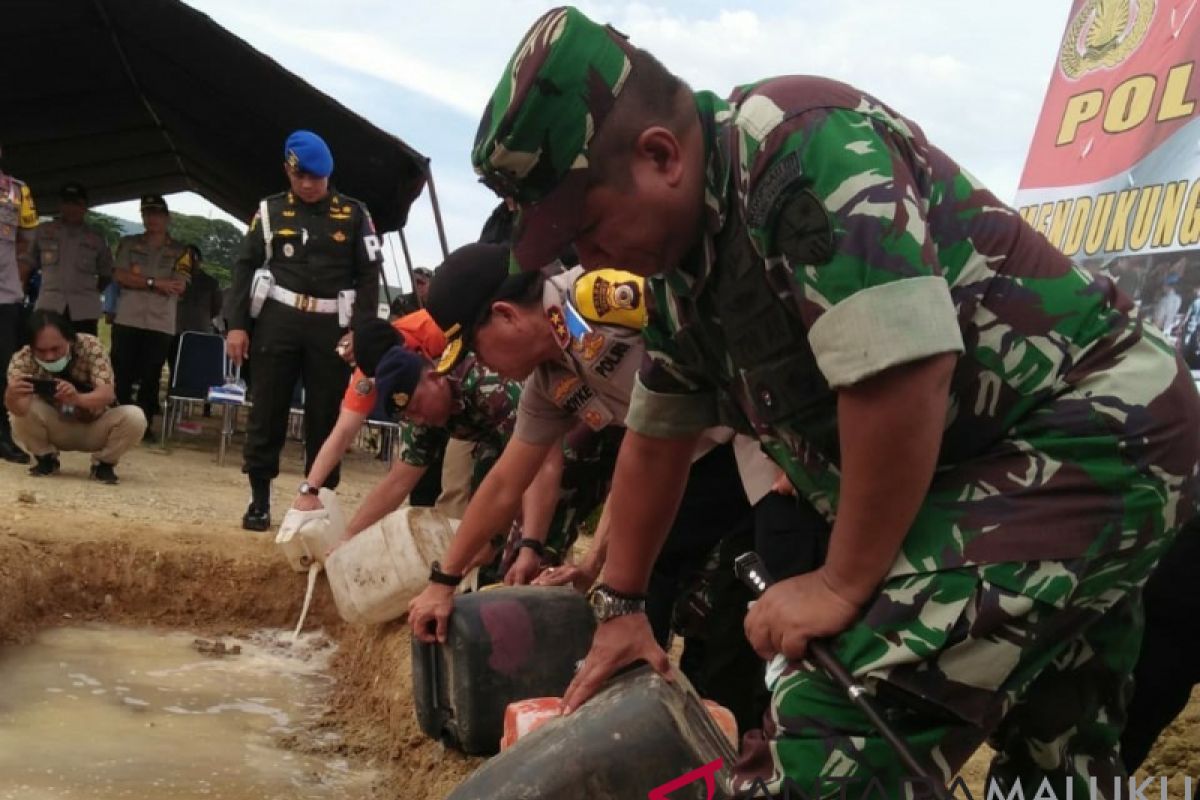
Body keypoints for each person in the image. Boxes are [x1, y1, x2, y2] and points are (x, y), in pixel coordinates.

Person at [472, 8, 1200, 797]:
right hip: (997, 467)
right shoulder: (680, 277)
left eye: (586, 226)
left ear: (660, 156)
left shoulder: (798, 149)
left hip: (1089, 436)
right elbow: (656, 436)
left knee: (834, 723)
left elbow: (903, 373)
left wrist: (843, 584)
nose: (585, 259)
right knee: (1058, 750)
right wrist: (619, 602)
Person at [223, 130, 381, 531]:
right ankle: (259, 499)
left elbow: (368, 276)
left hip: (332, 326)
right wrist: (237, 325)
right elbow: (244, 266)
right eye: (300, 177)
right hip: (279, 319)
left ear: (329, 175)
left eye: (316, 177)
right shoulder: (270, 211)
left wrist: (359, 333)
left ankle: (318, 502)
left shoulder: (356, 214)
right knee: (267, 409)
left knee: (326, 417)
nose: (308, 185)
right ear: (287, 173)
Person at [289, 312, 445, 513]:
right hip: (427, 415)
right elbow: (343, 431)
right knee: (422, 482)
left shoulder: (433, 329)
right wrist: (310, 489)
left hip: (464, 391)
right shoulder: (367, 373)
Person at [4, 310, 146, 482]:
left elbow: (107, 394)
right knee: (17, 413)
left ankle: (104, 464)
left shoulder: (90, 345)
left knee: (135, 417)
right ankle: (45, 458)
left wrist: (77, 399)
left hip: (95, 425)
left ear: (70, 339)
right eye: (41, 351)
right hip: (56, 425)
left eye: (56, 349)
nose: (49, 356)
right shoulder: (22, 359)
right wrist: (11, 395)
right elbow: (21, 409)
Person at [110, 195, 193, 441]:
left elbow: (180, 286)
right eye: (147, 213)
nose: (152, 218)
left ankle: (143, 426)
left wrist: (142, 283)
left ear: (167, 218)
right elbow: (119, 276)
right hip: (128, 317)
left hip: (160, 322)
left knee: (151, 375)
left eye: (157, 213)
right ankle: (115, 422)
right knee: (121, 372)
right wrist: (155, 283)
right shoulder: (128, 243)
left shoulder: (182, 251)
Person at [30, 182, 114, 337]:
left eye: (77, 203)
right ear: (60, 205)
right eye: (68, 203)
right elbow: (28, 263)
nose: (72, 208)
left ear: (85, 207)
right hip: (50, 306)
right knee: (48, 353)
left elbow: (107, 273)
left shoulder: (96, 239)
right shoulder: (43, 232)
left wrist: (89, 291)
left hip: (84, 309)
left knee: (83, 355)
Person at [0, 144, 38, 464]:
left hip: (5, 294)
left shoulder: (18, 191)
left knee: (4, 368)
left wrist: (18, 271)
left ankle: (2, 436)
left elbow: (26, 236)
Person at [168, 244, 223, 386]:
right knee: (175, 368)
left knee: (199, 370)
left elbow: (216, 307)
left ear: (200, 261)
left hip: (200, 331)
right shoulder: (171, 279)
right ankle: (173, 396)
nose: (190, 261)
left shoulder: (211, 283)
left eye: (193, 258)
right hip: (175, 330)